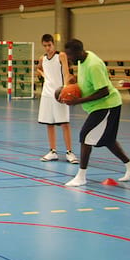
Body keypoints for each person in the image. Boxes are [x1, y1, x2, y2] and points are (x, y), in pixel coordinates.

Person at [62, 39, 130, 186]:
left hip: (107, 105)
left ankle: (81, 176)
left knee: (84, 136)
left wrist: (78, 101)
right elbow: (88, 83)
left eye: (70, 55)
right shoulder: (82, 60)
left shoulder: (94, 65)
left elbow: (104, 91)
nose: (69, 58)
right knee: (108, 140)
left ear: (79, 51)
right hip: (97, 106)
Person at [37, 34, 78, 164]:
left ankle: (69, 152)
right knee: (49, 123)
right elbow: (38, 69)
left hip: (59, 93)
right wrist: (44, 76)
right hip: (46, 94)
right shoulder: (42, 58)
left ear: (53, 44)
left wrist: (65, 88)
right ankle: (52, 151)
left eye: (49, 45)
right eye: (45, 46)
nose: (47, 48)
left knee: (64, 123)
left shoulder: (61, 56)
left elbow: (66, 73)